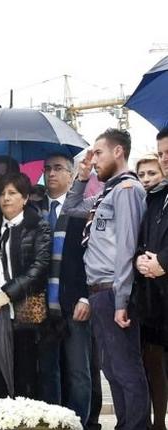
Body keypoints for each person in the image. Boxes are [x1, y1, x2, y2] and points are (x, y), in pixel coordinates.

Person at [63, 128, 148, 430]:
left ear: (118, 152)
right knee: (111, 369)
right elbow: (71, 208)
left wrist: (122, 300)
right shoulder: (107, 192)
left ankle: (136, 426)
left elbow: (126, 247)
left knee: (126, 369)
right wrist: (82, 176)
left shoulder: (127, 191)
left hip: (115, 289)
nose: (93, 159)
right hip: (99, 290)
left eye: (98, 153)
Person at [0, 172, 51, 398]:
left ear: (25, 198)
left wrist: (7, 294)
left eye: (13, 193)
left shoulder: (38, 226)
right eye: (2, 194)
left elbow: (39, 267)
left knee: (26, 377)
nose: (6, 198)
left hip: (24, 313)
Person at [34, 154, 93, 426]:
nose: (51, 174)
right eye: (47, 169)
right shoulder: (34, 210)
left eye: (58, 169)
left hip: (74, 300)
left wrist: (86, 296)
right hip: (43, 304)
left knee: (78, 372)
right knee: (48, 371)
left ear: (71, 175)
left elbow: (91, 257)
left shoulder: (81, 210)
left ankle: (79, 423)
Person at [135, 130, 168, 430]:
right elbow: (142, 238)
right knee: (153, 365)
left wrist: (163, 262)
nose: (165, 158)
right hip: (153, 299)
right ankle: (158, 424)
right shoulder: (156, 197)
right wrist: (141, 258)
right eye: (162, 153)